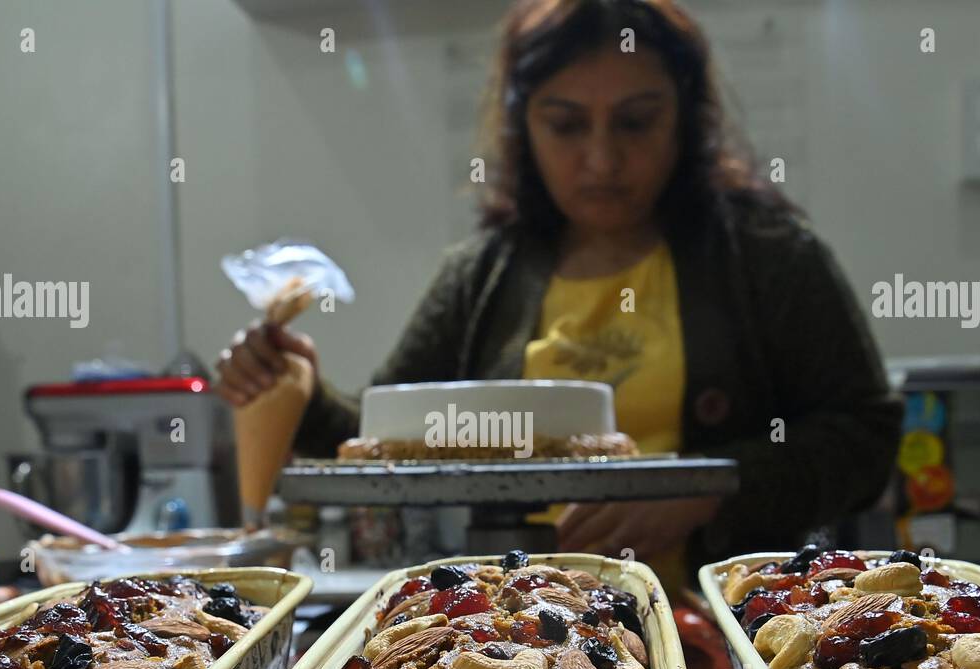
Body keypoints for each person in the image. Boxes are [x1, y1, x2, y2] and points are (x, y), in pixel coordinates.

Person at [216, 0, 901, 584]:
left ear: (685, 119)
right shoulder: (482, 278)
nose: (602, 159)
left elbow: (864, 436)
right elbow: (390, 445)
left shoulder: (768, 260)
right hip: (510, 636)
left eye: (635, 122)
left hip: (718, 634)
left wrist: (706, 492)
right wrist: (295, 391)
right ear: (524, 126)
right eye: (567, 125)